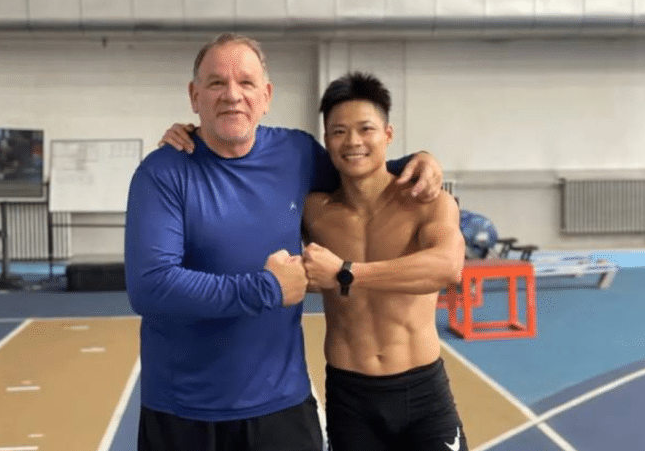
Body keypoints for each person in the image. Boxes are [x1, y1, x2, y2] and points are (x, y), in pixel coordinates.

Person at [126, 33, 444, 451]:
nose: (232, 95)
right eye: (217, 83)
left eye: (246, 82)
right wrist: (268, 288)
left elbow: (359, 168)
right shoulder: (162, 173)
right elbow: (151, 286)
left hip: (282, 406)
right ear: (194, 95)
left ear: (267, 95)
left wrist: (417, 161)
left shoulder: (296, 153)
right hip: (184, 412)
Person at [301, 72, 468, 451]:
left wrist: (346, 273)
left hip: (422, 391)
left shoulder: (426, 202)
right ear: (326, 141)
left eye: (366, 129)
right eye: (339, 132)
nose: (353, 142)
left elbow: (448, 267)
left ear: (388, 135)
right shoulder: (315, 211)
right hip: (349, 396)